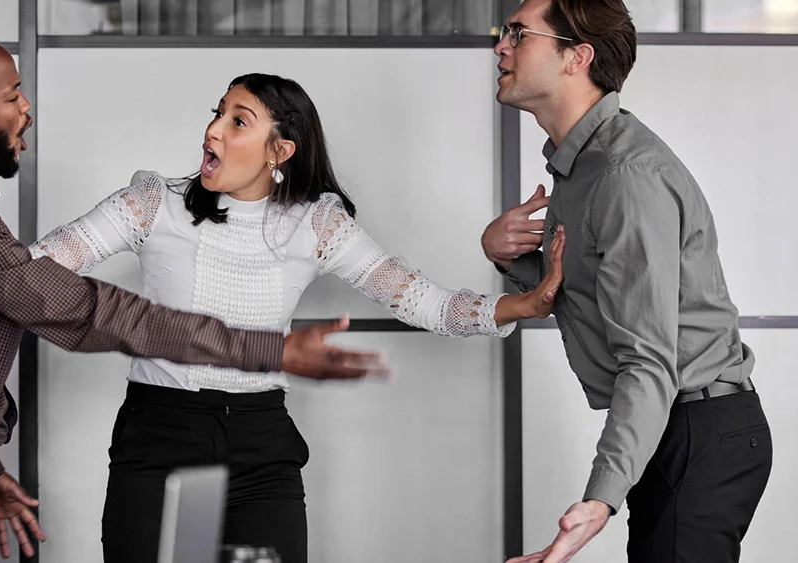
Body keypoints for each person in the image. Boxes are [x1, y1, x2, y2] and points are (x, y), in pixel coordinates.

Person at [0, 35, 387, 563]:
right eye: (11, 97)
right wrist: (270, 351)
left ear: (282, 150)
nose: (27, 108)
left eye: (236, 119)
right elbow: (85, 309)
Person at [32, 72, 567, 563]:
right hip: (160, 437)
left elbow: (420, 299)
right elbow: (28, 273)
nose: (212, 131)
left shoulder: (316, 225)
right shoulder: (152, 204)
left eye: (237, 120)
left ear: (280, 150)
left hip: (262, 447)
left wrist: (523, 302)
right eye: (216, 113)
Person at [485, 1, 772, 562]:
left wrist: (600, 501)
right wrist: (505, 256)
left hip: (695, 428)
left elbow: (647, 357)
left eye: (518, 33)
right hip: (673, 425)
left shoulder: (623, 175)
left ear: (578, 57)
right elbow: (587, 293)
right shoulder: (585, 166)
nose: (500, 46)